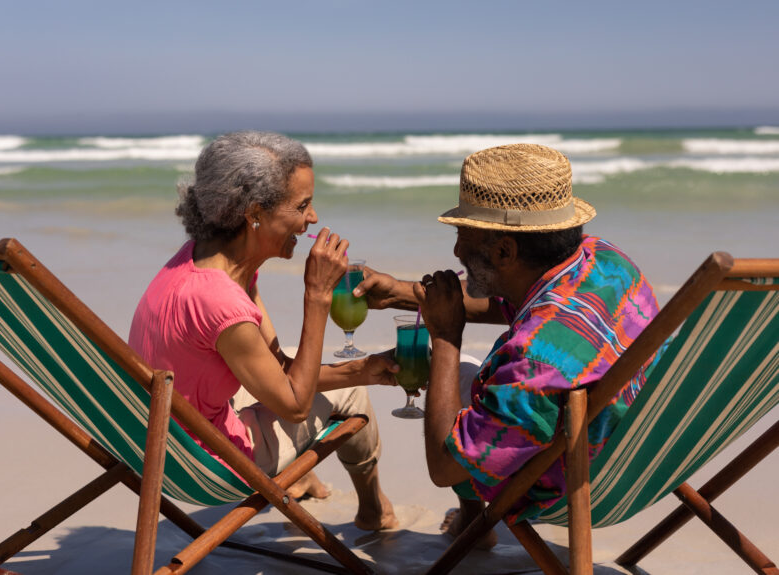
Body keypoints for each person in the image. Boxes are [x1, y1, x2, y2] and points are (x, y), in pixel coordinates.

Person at [354, 143, 661, 545]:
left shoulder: (535, 358)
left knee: (458, 371)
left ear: (504, 250)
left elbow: (444, 467)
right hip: (646, 460)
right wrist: (400, 292)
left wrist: (445, 336)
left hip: (569, 483)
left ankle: (474, 525)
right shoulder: (603, 261)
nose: (456, 249)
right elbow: (509, 297)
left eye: (462, 233)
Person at [129, 131, 398, 531]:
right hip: (210, 461)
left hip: (155, 441)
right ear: (254, 213)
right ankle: (375, 511)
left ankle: (302, 472)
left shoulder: (199, 258)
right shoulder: (221, 300)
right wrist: (318, 296)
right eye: (302, 205)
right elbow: (295, 404)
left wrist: (365, 367)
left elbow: (277, 365)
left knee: (332, 371)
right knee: (352, 395)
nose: (313, 218)